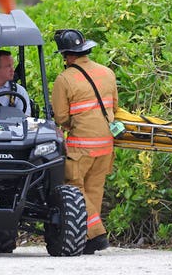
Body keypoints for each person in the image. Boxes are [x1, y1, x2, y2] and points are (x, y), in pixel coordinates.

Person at [51, 29, 118, 255]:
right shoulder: (108, 73)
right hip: (106, 145)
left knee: (75, 191)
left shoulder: (65, 79)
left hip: (82, 147)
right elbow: (114, 108)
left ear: (67, 55)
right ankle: (88, 240)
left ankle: (97, 235)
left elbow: (60, 117)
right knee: (94, 191)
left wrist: (73, 124)